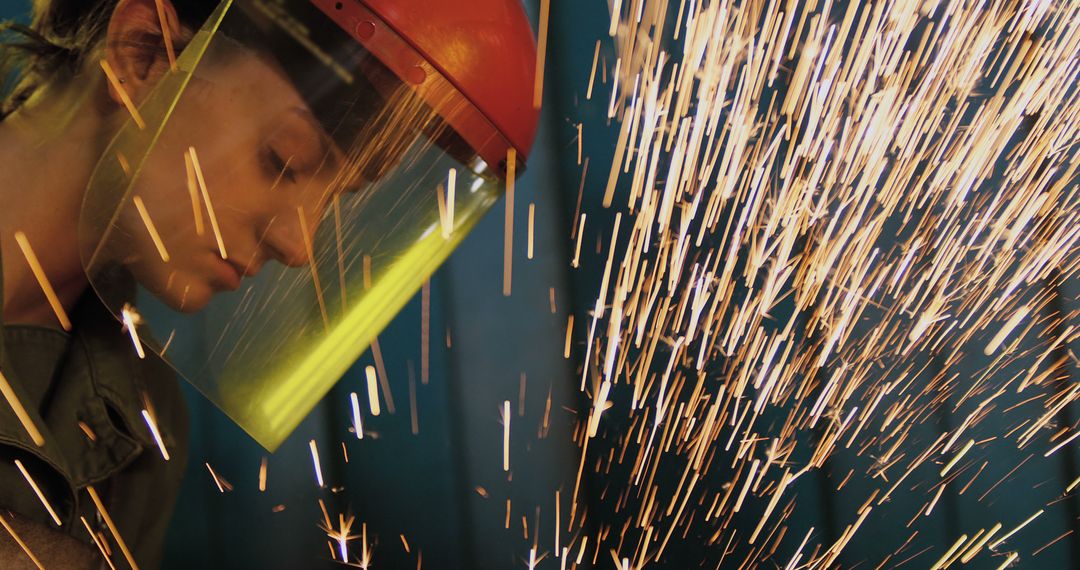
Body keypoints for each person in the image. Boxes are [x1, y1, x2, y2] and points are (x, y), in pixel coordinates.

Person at [0, 0, 539, 567]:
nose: (299, 247)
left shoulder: (137, 423)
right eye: (285, 161)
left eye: (334, 202)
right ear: (142, 56)